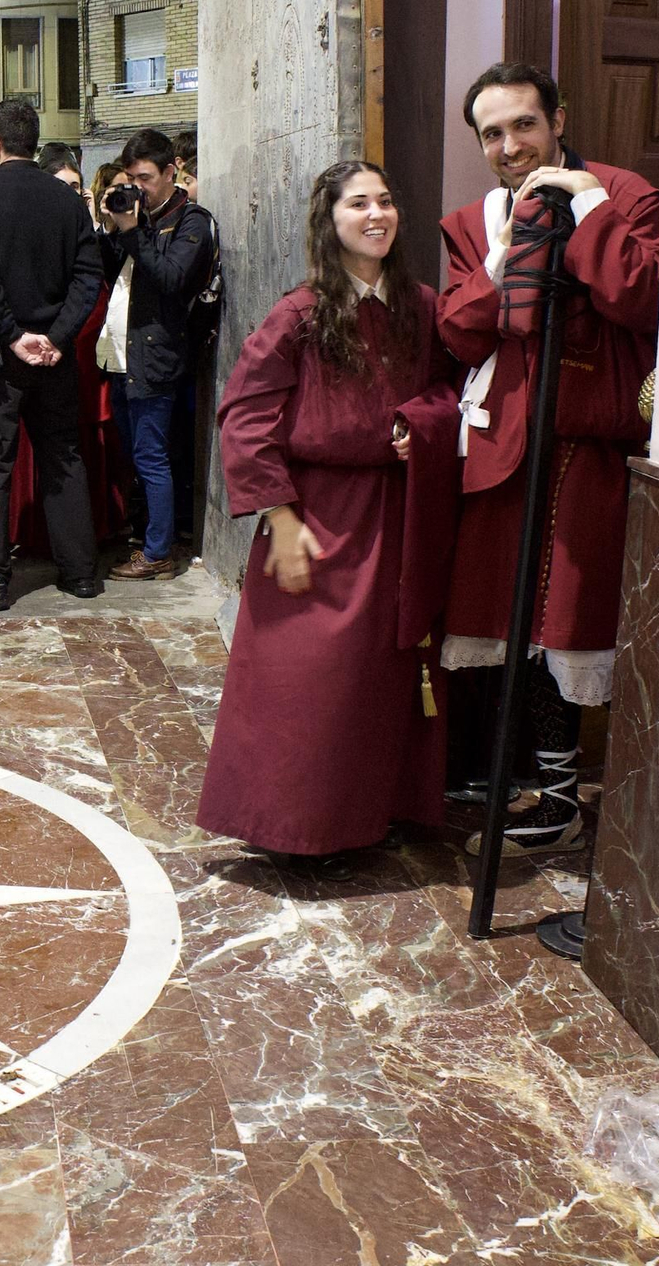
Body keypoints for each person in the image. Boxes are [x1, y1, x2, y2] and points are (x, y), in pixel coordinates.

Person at [198, 160, 461, 871]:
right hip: (315, 514)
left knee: (377, 679)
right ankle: (290, 822)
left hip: (395, 514)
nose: (376, 214)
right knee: (305, 680)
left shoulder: (424, 307)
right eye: (357, 204)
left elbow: (448, 390)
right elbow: (245, 415)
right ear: (330, 220)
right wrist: (281, 518)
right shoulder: (301, 314)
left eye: (385, 200)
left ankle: (372, 813)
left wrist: (421, 422)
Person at [439, 62, 659, 856]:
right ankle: (549, 791)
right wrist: (501, 260)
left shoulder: (624, 195)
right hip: (503, 449)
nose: (510, 145)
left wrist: (590, 211)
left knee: (568, 626)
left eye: (524, 125)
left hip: (589, 449)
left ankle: (566, 799)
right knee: (512, 630)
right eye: (492, 133)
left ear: (557, 119)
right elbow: (463, 333)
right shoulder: (474, 221)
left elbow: (642, 297)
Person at [0, 98, 105, 610]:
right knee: (63, 456)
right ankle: (80, 574)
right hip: (54, 357)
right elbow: (89, 277)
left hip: (2, 356)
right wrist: (58, 337)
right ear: (32, 142)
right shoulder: (66, 198)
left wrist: (16, 336)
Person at [97, 129, 218, 581]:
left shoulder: (192, 221)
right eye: (130, 178)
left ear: (172, 172)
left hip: (156, 355)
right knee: (136, 456)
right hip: (122, 355)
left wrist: (132, 232)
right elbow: (108, 273)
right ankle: (149, 537)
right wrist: (114, 227)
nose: (137, 188)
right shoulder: (140, 220)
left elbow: (171, 279)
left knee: (152, 456)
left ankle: (159, 552)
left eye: (145, 178)